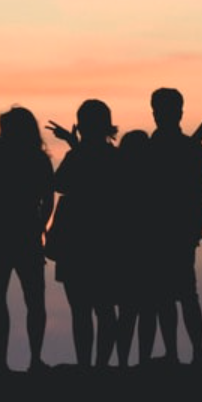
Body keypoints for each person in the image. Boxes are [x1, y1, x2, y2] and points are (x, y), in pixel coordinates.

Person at [136, 88, 202, 365]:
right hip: (178, 233)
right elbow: (199, 188)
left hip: (161, 233)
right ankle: (190, 353)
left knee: (171, 295)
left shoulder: (149, 150)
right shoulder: (188, 149)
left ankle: (182, 353)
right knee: (182, 294)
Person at [47, 99, 123, 366]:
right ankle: (101, 364)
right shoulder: (116, 158)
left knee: (81, 309)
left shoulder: (78, 156)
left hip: (76, 241)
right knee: (104, 308)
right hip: (106, 241)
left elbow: (59, 183)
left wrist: (73, 145)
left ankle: (86, 365)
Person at [0, 105, 54, 371]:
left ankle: (5, 361)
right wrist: (40, 224)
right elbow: (48, 199)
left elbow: (48, 199)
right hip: (22, 235)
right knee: (32, 301)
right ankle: (30, 359)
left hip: (2, 236)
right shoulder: (38, 159)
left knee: (1, 301)